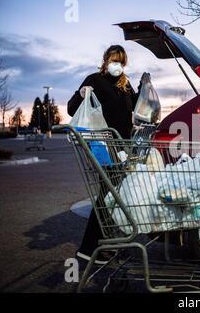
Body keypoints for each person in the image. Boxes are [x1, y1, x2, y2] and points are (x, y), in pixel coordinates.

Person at [68, 45, 141, 264]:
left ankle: (98, 244)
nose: (116, 64)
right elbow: (72, 108)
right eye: (113, 59)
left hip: (122, 147)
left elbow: (133, 110)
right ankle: (89, 247)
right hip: (102, 145)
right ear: (105, 60)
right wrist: (81, 95)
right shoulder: (94, 80)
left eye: (120, 61)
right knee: (108, 194)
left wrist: (144, 91)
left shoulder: (125, 85)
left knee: (111, 194)